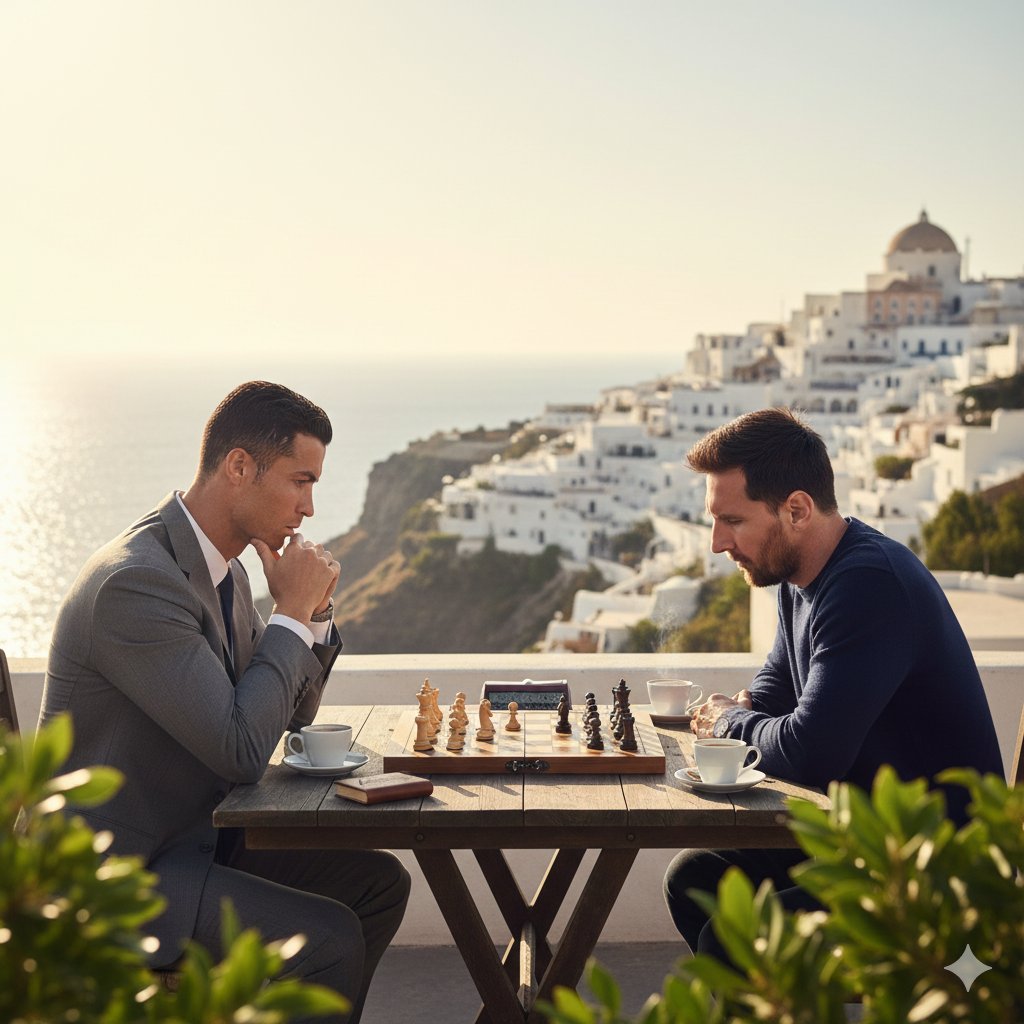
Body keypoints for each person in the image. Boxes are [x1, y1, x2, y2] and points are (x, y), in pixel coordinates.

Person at [40, 380, 410, 1022]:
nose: (310, 507)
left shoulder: (228, 572)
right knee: (326, 940)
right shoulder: (137, 585)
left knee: (377, 885)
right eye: (300, 482)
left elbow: (287, 715)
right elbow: (242, 749)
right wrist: (290, 613)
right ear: (240, 466)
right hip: (114, 875)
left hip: (195, 842)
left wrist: (312, 616)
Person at [663, 407, 1002, 960]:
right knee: (697, 879)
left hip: (936, 873)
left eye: (734, 521)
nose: (716, 544)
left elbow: (809, 750)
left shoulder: (867, 584)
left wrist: (728, 718)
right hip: (868, 846)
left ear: (796, 508)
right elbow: (775, 691)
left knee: (731, 938)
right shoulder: (799, 578)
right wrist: (748, 713)